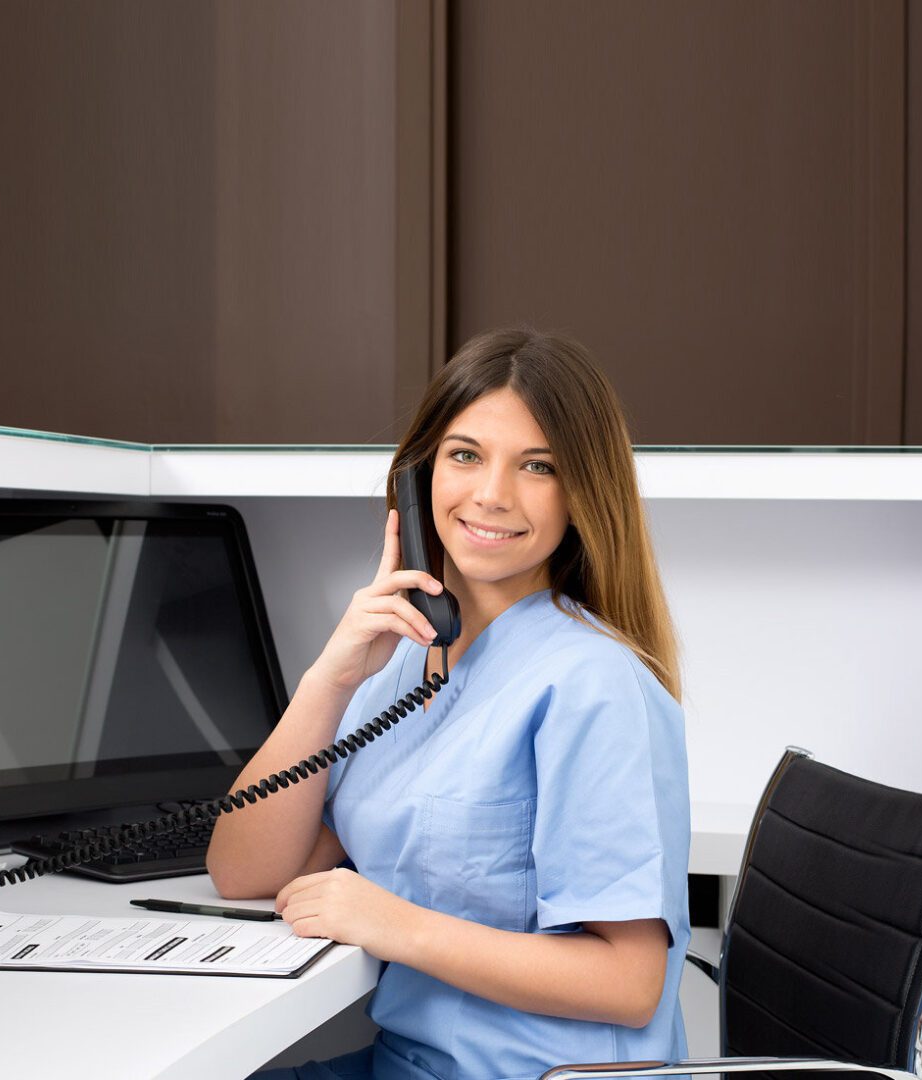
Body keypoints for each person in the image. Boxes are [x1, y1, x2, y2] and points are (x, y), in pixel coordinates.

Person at [206, 328, 689, 1080]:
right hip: (410, 1063)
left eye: (538, 466)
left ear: (582, 494)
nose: (492, 494)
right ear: (419, 474)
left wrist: (396, 925)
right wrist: (329, 679)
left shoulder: (592, 683)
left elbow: (630, 984)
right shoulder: (404, 663)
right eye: (465, 455)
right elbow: (244, 871)